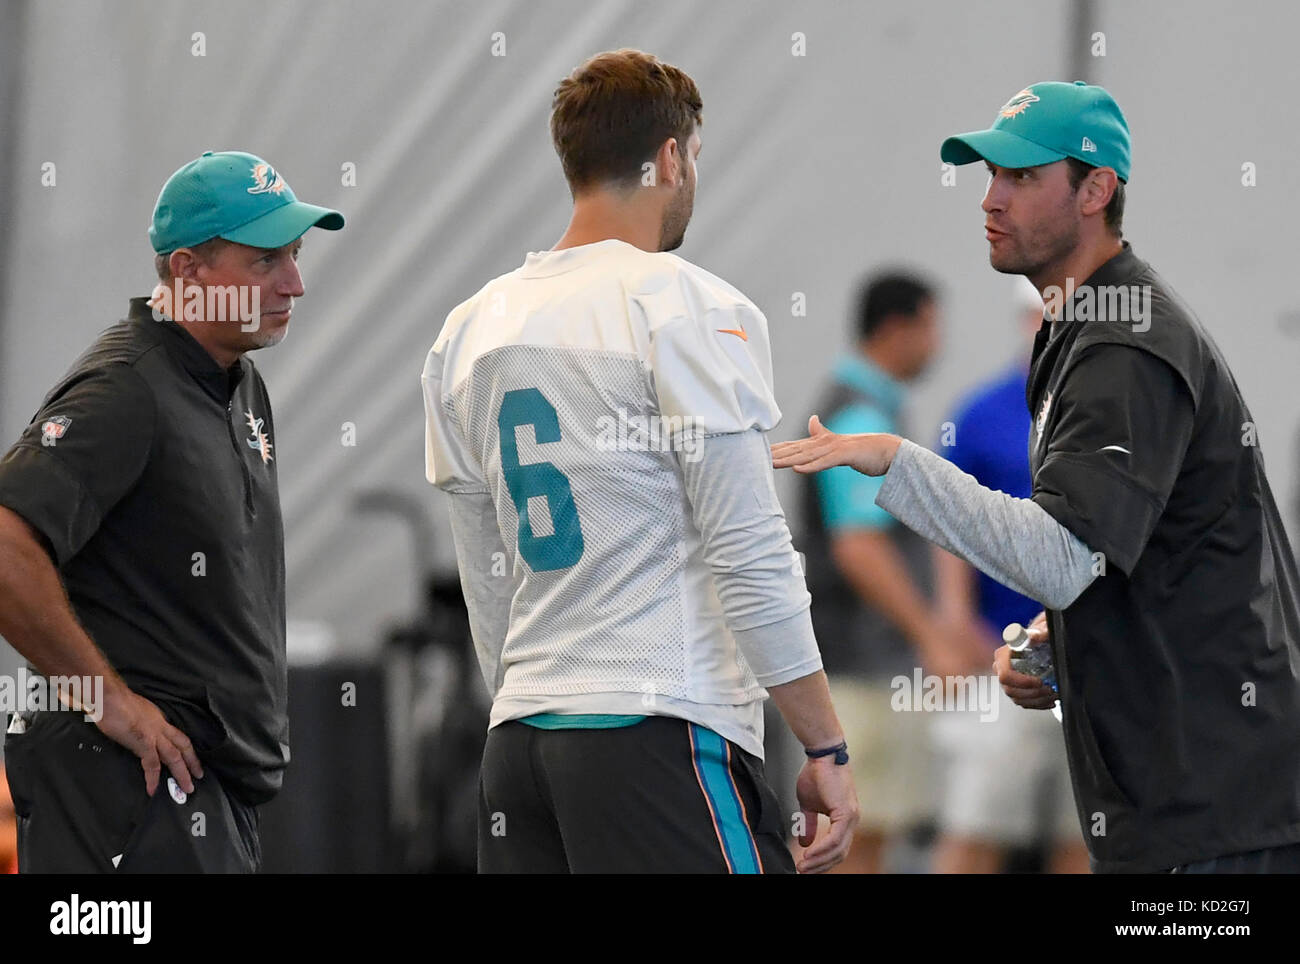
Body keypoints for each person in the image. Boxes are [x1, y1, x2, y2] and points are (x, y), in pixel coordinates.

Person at [772, 81, 1300, 873]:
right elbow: (1134, 547)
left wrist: (899, 463)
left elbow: (1056, 552)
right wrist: (1065, 642)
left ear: (1097, 189)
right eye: (990, 175)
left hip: (1219, 807)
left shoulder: (1125, 343)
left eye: (1021, 177)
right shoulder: (1078, 329)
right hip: (1181, 799)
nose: (990, 198)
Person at [422, 48, 858, 874]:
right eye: (693, 157)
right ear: (669, 157)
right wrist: (825, 743)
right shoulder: (685, 304)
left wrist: (525, 699)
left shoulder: (467, 330)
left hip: (521, 746)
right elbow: (748, 549)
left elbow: (485, 574)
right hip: (657, 729)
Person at [0, 151, 343, 872]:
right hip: (130, 798)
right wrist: (110, 702)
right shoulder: (127, 389)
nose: (295, 283)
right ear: (187, 271)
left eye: (297, 253)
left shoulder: (235, 382)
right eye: (265, 261)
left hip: (203, 799)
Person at [797, 271, 958, 873]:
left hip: (862, 664)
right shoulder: (858, 413)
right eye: (931, 327)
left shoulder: (867, 406)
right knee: (853, 843)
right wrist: (932, 635)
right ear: (898, 328)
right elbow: (860, 547)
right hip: (864, 669)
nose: (938, 345)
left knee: (864, 837)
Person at [929, 277, 1088, 873]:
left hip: (1091, 656)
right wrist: (953, 617)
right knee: (977, 827)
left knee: (1083, 836)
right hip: (1001, 649)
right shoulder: (981, 411)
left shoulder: (1105, 407)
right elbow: (948, 518)